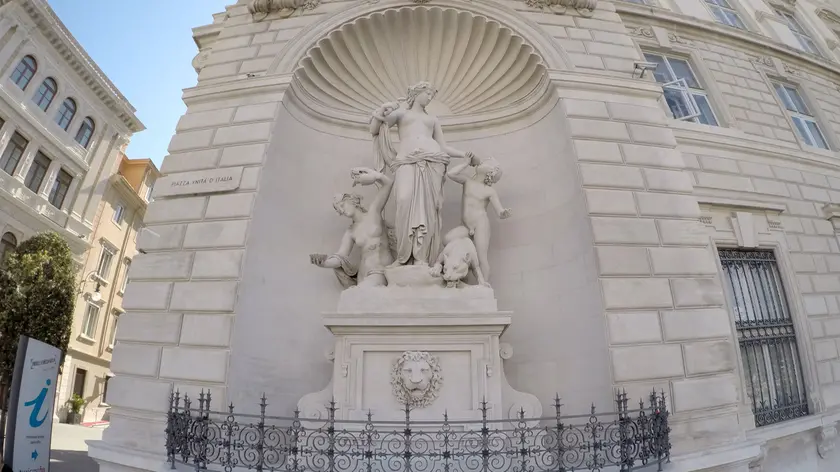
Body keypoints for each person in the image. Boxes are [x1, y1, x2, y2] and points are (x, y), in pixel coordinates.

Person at [370, 82, 476, 267]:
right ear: (416, 93)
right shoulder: (402, 113)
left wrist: (463, 155)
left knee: (428, 211)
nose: (429, 97)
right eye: (427, 93)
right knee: (404, 200)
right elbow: (376, 128)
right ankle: (403, 257)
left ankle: (421, 258)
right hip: (406, 161)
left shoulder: (432, 119)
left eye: (431, 95)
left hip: (433, 162)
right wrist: (384, 108)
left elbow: (443, 146)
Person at [309, 168, 394, 288]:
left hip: (379, 270)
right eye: (339, 210)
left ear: (351, 200)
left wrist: (371, 174)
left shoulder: (373, 212)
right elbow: (340, 257)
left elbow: (388, 183)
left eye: (342, 205)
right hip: (363, 275)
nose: (342, 211)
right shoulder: (351, 231)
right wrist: (323, 263)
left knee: (363, 293)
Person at [446, 157, 511, 281]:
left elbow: (499, 210)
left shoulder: (489, 191)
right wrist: (466, 163)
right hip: (465, 226)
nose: (482, 162)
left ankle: (485, 286)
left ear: (491, 172)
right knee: (447, 240)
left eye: (486, 163)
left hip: (480, 224)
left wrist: (503, 213)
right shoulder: (467, 181)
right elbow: (451, 173)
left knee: (482, 258)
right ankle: (464, 264)